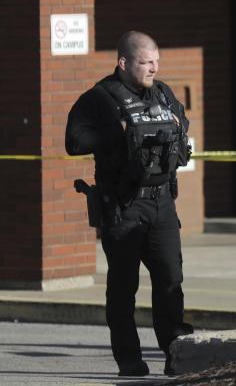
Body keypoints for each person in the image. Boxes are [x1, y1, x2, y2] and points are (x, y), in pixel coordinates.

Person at [65, 31, 192, 377]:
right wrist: (116, 131)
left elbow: (181, 131)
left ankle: (175, 355)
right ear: (124, 63)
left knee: (170, 280)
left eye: (156, 62)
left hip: (163, 203)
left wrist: (180, 130)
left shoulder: (163, 93)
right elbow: (74, 141)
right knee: (123, 287)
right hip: (124, 205)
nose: (153, 68)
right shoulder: (99, 98)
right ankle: (130, 361)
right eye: (146, 62)